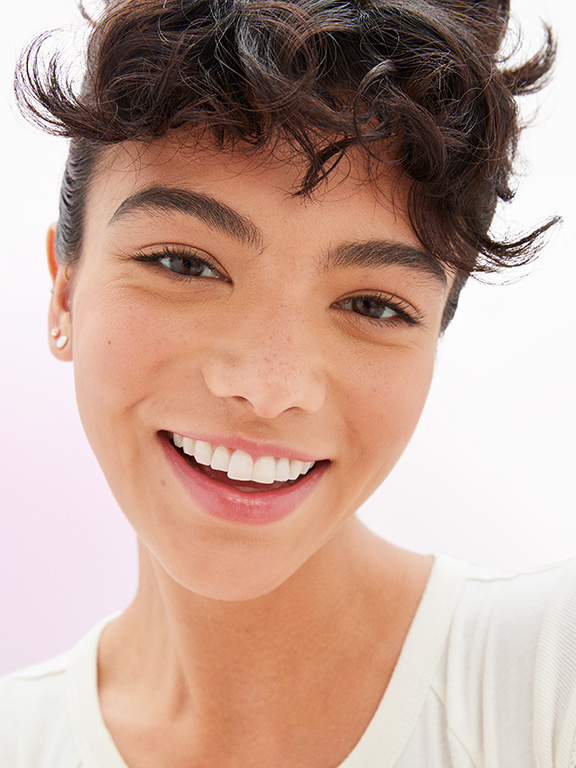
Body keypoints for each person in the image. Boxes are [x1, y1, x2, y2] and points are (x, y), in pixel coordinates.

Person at [2, 0, 575, 766]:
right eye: (184, 263)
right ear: (64, 292)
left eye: (373, 305)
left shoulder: (545, 684)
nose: (269, 388)